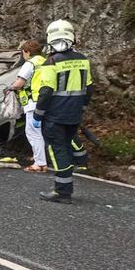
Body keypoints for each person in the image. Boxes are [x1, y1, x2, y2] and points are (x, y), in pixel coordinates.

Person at [34, 20, 93, 204]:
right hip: (74, 114)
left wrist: (38, 114)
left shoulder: (50, 62)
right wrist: (82, 107)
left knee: (57, 150)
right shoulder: (83, 59)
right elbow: (89, 87)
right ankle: (80, 162)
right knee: (67, 144)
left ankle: (62, 191)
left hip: (55, 116)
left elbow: (46, 91)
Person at [5, 39, 48, 173]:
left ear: (27, 52)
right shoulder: (46, 61)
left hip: (34, 102)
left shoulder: (30, 63)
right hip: (48, 101)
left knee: (33, 132)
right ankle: (40, 158)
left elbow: (19, 83)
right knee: (44, 132)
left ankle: (40, 164)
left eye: (23, 52)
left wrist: (10, 88)